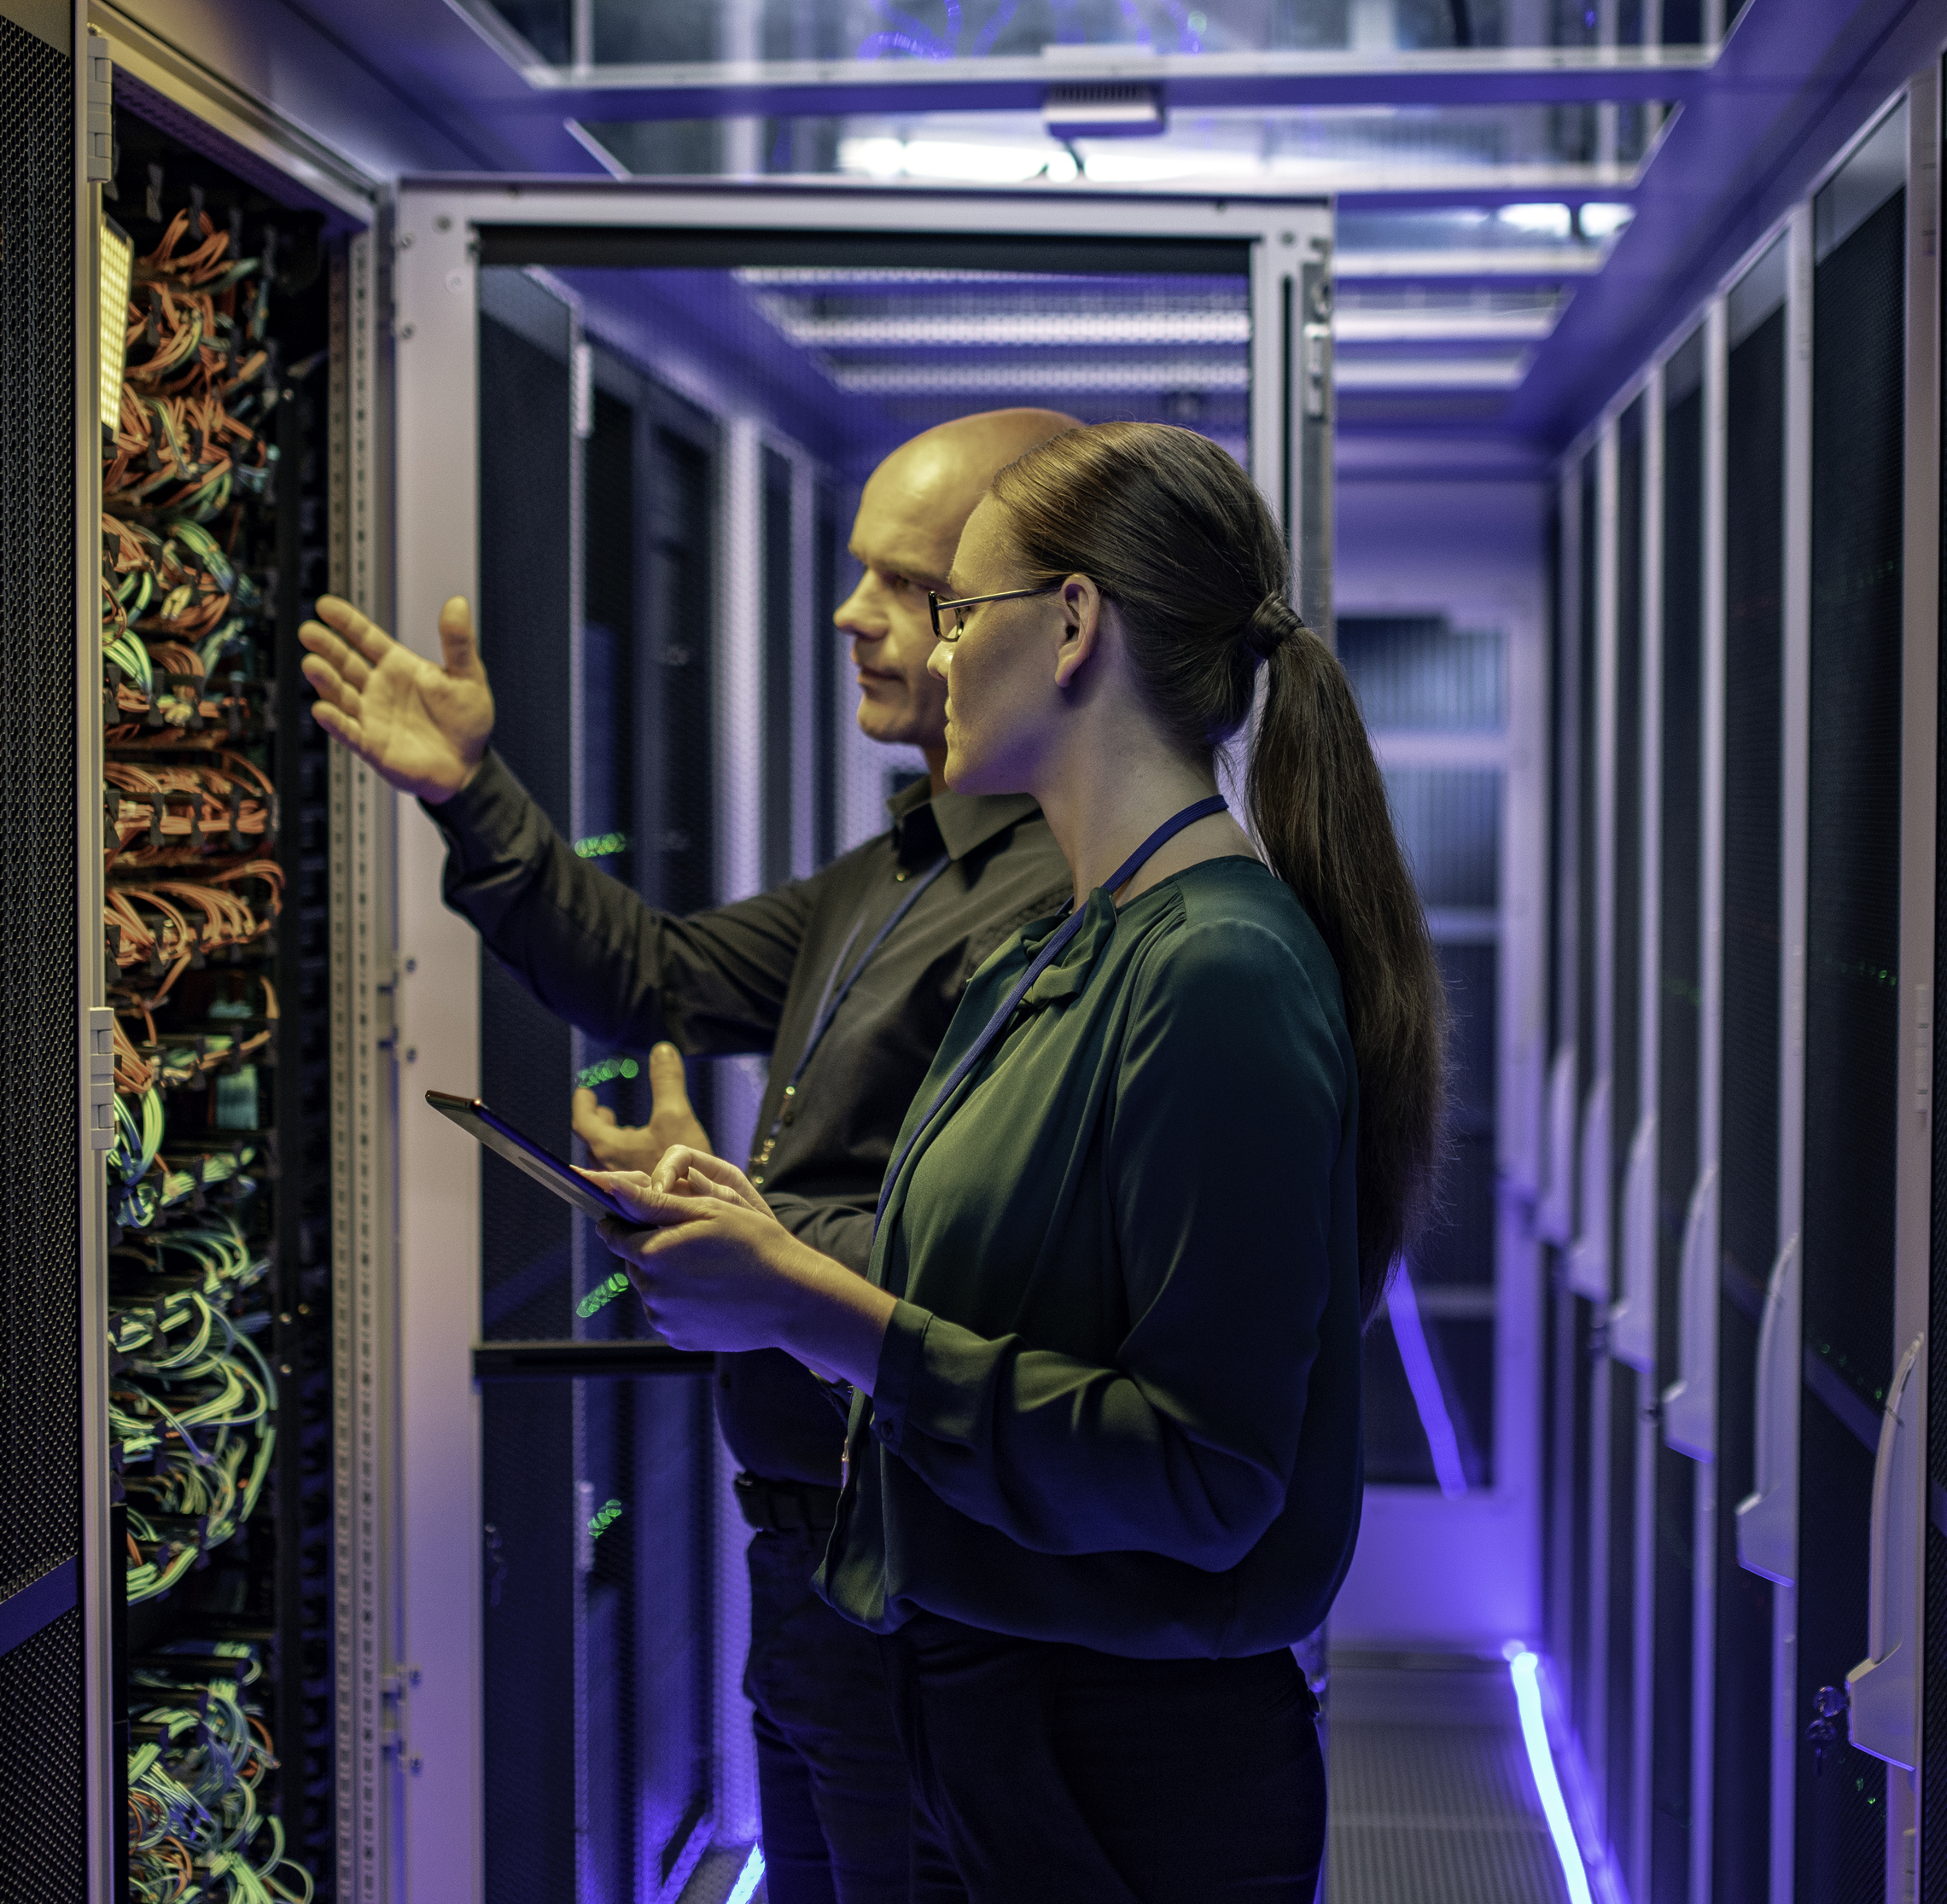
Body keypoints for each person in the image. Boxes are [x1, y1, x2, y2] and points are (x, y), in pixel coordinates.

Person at [585, 421, 1447, 1902]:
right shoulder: (1073, 947)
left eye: (957, 611)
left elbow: (1203, 1473)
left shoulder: (1217, 970)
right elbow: (1000, 1304)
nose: (926, 651)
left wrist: (803, 1308)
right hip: (986, 1713)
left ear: (1069, 627)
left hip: (1120, 1769)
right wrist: (754, 1235)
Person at [292, 409, 1084, 1904]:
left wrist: (748, 1233)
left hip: (917, 1576)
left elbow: (998, 1267)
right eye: (857, 573)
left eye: (905, 586)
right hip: (807, 1560)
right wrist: (469, 794)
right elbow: (655, 977)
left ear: (1050, 618)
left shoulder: (1054, 902)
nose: (851, 614)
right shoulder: (906, 864)